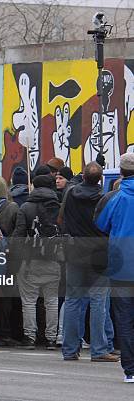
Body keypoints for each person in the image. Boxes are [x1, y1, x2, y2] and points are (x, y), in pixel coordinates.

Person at [60, 162, 118, 363]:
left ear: (83, 177)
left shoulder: (70, 195)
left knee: (73, 301)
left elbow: (63, 220)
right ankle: (99, 349)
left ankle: (69, 349)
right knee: (98, 302)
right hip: (99, 253)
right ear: (100, 179)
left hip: (75, 249)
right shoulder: (104, 199)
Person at [95, 152, 134, 383]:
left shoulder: (115, 198)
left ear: (121, 172)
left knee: (124, 318)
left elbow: (100, 224)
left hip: (122, 267)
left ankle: (130, 369)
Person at [13, 174, 61, 350]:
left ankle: (30, 337)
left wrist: (17, 260)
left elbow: (18, 236)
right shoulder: (57, 207)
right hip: (54, 258)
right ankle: (51, 338)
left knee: (29, 300)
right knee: (52, 300)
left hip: (30, 260)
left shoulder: (26, 207)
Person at [0, 176, 21, 346]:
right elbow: (18, 232)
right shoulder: (13, 207)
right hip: (7, 258)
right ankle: (5, 332)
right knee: (6, 296)